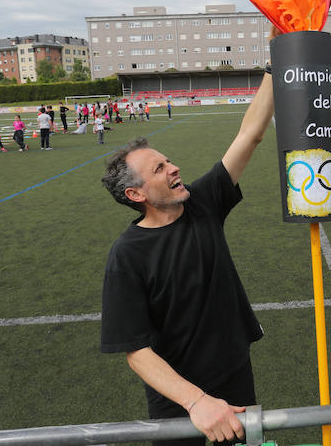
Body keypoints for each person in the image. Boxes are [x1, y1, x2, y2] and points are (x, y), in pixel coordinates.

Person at [100, 69, 274, 446]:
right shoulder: (127, 255)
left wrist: (273, 67)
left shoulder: (203, 202)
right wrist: (197, 402)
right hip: (178, 400)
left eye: (168, 161)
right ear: (135, 194)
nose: (173, 168)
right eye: (159, 169)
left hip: (235, 373)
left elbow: (250, 134)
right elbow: (136, 351)